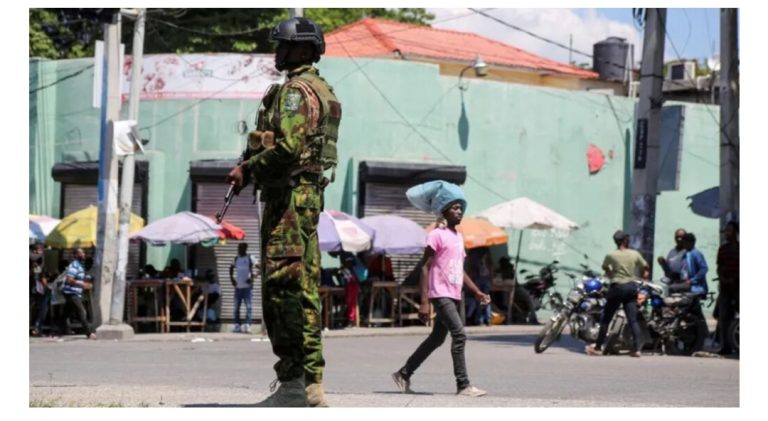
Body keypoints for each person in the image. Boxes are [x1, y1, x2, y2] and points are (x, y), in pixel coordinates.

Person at [225, 16, 341, 407]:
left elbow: (289, 149)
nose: (277, 52)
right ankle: (311, 386)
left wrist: (248, 169)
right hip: (305, 199)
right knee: (304, 290)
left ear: (304, 49)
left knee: (282, 292)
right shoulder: (322, 89)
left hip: (288, 201)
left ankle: (293, 384)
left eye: (283, 46)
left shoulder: (295, 91)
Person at [392, 181, 489, 397]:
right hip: (440, 294)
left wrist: (477, 292)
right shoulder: (436, 235)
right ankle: (463, 385)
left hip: (454, 294)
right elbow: (425, 268)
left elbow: (460, 270)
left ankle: (404, 373)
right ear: (444, 211)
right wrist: (424, 302)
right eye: (454, 207)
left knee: (437, 339)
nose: (459, 211)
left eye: (461, 207)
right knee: (460, 334)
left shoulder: (458, 237)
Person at [586, 230, 648, 357]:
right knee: (633, 320)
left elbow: (605, 268)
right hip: (631, 287)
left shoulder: (611, 255)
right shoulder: (634, 254)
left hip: (617, 287)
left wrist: (610, 272)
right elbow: (645, 267)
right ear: (625, 240)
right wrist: (644, 278)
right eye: (628, 238)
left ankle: (598, 347)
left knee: (606, 319)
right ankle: (637, 349)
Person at [59, 248, 96, 339]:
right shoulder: (74, 265)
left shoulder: (80, 266)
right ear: (75, 255)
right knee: (82, 311)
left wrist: (86, 282)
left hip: (75, 292)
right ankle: (89, 333)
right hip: (71, 292)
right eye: (81, 253)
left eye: (83, 252)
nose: (83, 254)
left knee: (66, 313)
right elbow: (69, 279)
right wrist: (82, 284)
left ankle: (59, 329)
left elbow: (78, 277)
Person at [716, 221, 739, 355]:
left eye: (729, 231)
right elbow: (719, 266)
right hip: (725, 287)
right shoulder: (722, 249)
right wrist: (723, 279)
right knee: (724, 317)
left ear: (735, 232)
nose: (726, 233)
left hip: (738, 286)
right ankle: (725, 346)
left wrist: (734, 279)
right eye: (726, 230)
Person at [679, 232, 709, 322]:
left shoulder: (695, 253)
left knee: (695, 312)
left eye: (685, 242)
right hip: (689, 287)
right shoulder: (686, 254)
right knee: (691, 312)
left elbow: (704, 268)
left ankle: (703, 333)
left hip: (696, 288)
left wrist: (692, 280)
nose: (683, 244)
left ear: (691, 242)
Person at [229, 243, 255, 333]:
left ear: (245, 248)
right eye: (238, 248)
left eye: (240, 248)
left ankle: (247, 325)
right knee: (236, 307)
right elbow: (231, 268)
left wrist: (252, 278)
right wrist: (232, 279)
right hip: (238, 287)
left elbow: (259, 268)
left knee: (248, 307)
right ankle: (237, 325)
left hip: (247, 288)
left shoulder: (250, 258)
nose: (239, 249)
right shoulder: (236, 258)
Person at [465, 247, 493, 326]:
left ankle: (481, 319)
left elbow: (470, 267)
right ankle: (486, 319)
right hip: (482, 278)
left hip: (480, 278)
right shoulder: (485, 251)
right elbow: (490, 265)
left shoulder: (474, 252)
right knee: (485, 299)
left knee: (481, 299)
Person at [30, 243, 50, 337]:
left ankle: (37, 328)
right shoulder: (33, 260)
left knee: (43, 308)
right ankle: (37, 328)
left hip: (38, 289)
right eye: (40, 250)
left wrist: (46, 287)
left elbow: (42, 276)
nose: (42, 252)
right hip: (33, 288)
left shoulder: (40, 261)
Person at [338, 252, 360, 328]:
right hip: (350, 286)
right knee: (350, 303)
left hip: (352, 286)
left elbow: (349, 280)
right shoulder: (349, 270)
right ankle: (350, 320)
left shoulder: (348, 271)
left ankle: (351, 320)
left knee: (351, 303)